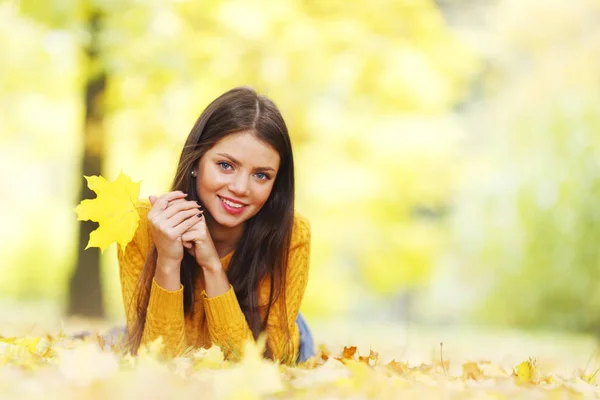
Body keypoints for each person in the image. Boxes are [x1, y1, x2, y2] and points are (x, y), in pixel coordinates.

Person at [116, 86, 314, 365]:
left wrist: (211, 265)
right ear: (196, 161)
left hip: (270, 332)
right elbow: (159, 364)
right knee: (126, 340)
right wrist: (168, 262)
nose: (240, 188)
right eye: (225, 165)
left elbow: (261, 369)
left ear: (275, 183)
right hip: (171, 331)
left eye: (261, 175)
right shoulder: (141, 225)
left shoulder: (292, 234)